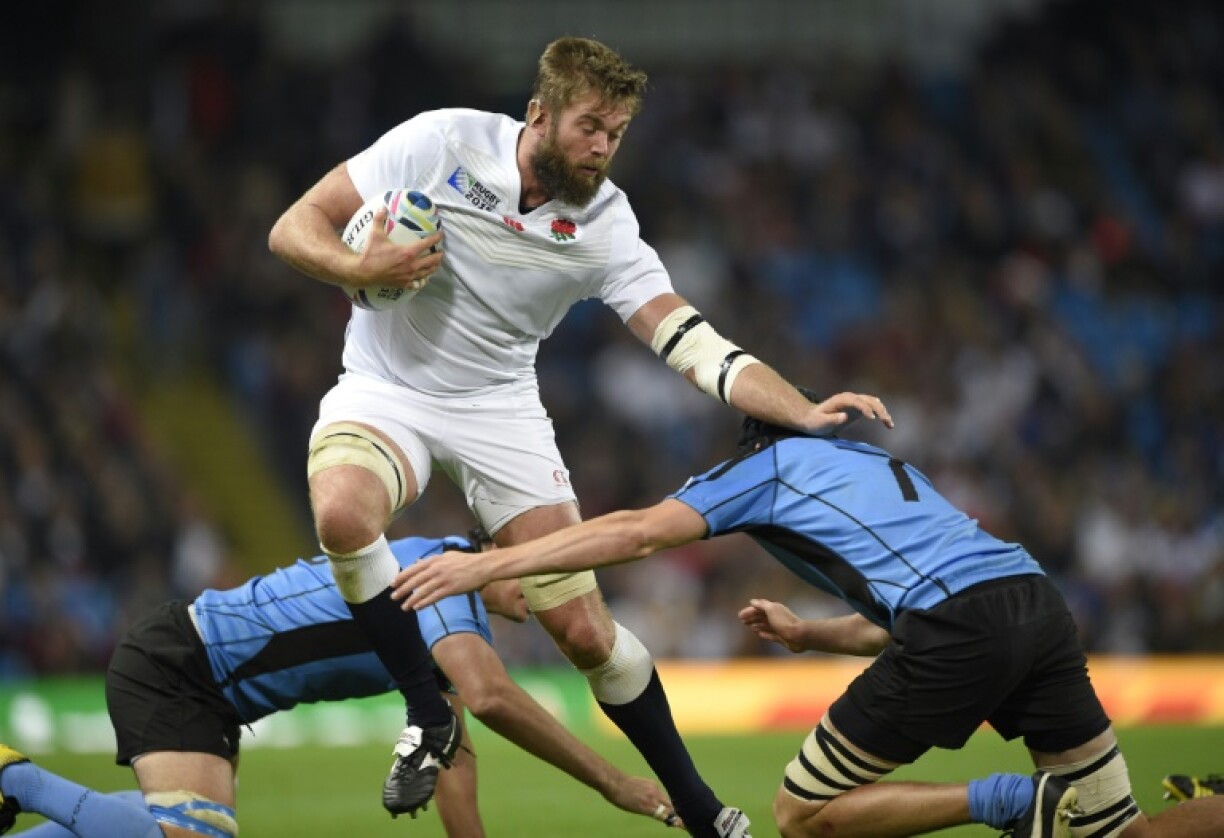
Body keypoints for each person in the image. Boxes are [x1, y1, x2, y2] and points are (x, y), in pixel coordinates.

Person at [267, 33, 891, 836]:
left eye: (617, 133)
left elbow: (686, 337)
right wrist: (360, 270)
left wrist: (797, 412)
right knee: (343, 516)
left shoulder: (605, 223)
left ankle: (698, 811)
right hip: (387, 387)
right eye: (590, 126)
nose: (603, 147)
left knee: (586, 632)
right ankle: (429, 713)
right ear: (539, 114)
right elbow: (295, 226)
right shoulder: (441, 141)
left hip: (499, 406)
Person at [391, 390, 1224, 838]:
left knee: (803, 813)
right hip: (1035, 603)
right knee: (1118, 836)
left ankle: (1012, 800)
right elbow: (914, 607)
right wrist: (809, 634)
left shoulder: (771, 465)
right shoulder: (876, 466)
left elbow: (634, 532)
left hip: (964, 622)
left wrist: (490, 560)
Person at [0, 532, 676, 838]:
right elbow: (492, 697)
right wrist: (614, 783)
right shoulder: (443, 572)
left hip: (207, 686)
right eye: (544, 576)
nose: (552, 598)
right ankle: (15, 778)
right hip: (181, 662)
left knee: (178, 830)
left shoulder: (453, 632)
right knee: (188, 837)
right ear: (504, 555)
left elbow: (453, 759)